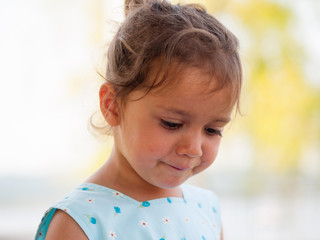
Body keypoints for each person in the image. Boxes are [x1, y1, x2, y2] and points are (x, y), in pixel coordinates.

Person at [35, 0, 242, 239]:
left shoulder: (207, 209)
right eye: (172, 124)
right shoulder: (78, 223)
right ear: (112, 105)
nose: (193, 149)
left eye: (212, 130)